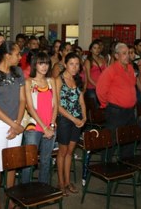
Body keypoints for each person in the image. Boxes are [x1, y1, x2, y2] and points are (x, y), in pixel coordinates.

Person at [0, 41, 25, 209]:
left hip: (16, 122)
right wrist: (13, 125)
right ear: (7, 56)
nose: (20, 57)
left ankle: (10, 200)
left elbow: (23, 100)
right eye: (17, 54)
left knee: (12, 164)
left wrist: (17, 123)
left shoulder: (18, 72)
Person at [21, 51, 58, 184]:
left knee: (46, 160)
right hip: (33, 126)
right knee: (29, 161)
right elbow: (30, 108)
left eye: (47, 63)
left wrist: (52, 125)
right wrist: (44, 128)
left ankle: (43, 189)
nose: (44, 66)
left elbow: (56, 105)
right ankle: (24, 193)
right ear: (34, 65)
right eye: (41, 63)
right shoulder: (28, 82)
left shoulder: (51, 81)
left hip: (50, 125)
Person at [96, 43, 137, 161]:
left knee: (129, 139)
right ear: (116, 55)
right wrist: (106, 104)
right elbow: (100, 90)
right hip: (116, 111)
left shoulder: (129, 68)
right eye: (124, 53)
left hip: (129, 111)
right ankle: (105, 165)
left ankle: (126, 164)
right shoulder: (111, 70)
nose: (127, 56)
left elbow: (132, 85)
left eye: (128, 53)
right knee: (111, 140)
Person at [55, 52, 86, 195]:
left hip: (77, 120)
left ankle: (68, 182)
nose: (74, 67)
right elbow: (57, 106)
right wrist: (74, 119)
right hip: (64, 120)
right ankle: (60, 183)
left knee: (69, 152)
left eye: (77, 64)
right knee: (62, 153)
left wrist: (84, 117)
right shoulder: (59, 80)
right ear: (65, 64)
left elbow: (81, 101)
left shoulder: (78, 79)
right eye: (71, 64)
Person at [84, 40, 107, 106]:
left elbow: (106, 74)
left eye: (98, 48)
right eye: (94, 48)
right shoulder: (88, 61)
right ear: (91, 50)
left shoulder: (103, 59)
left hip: (102, 86)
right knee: (94, 101)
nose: (97, 50)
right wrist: (97, 86)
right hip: (92, 87)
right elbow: (88, 77)